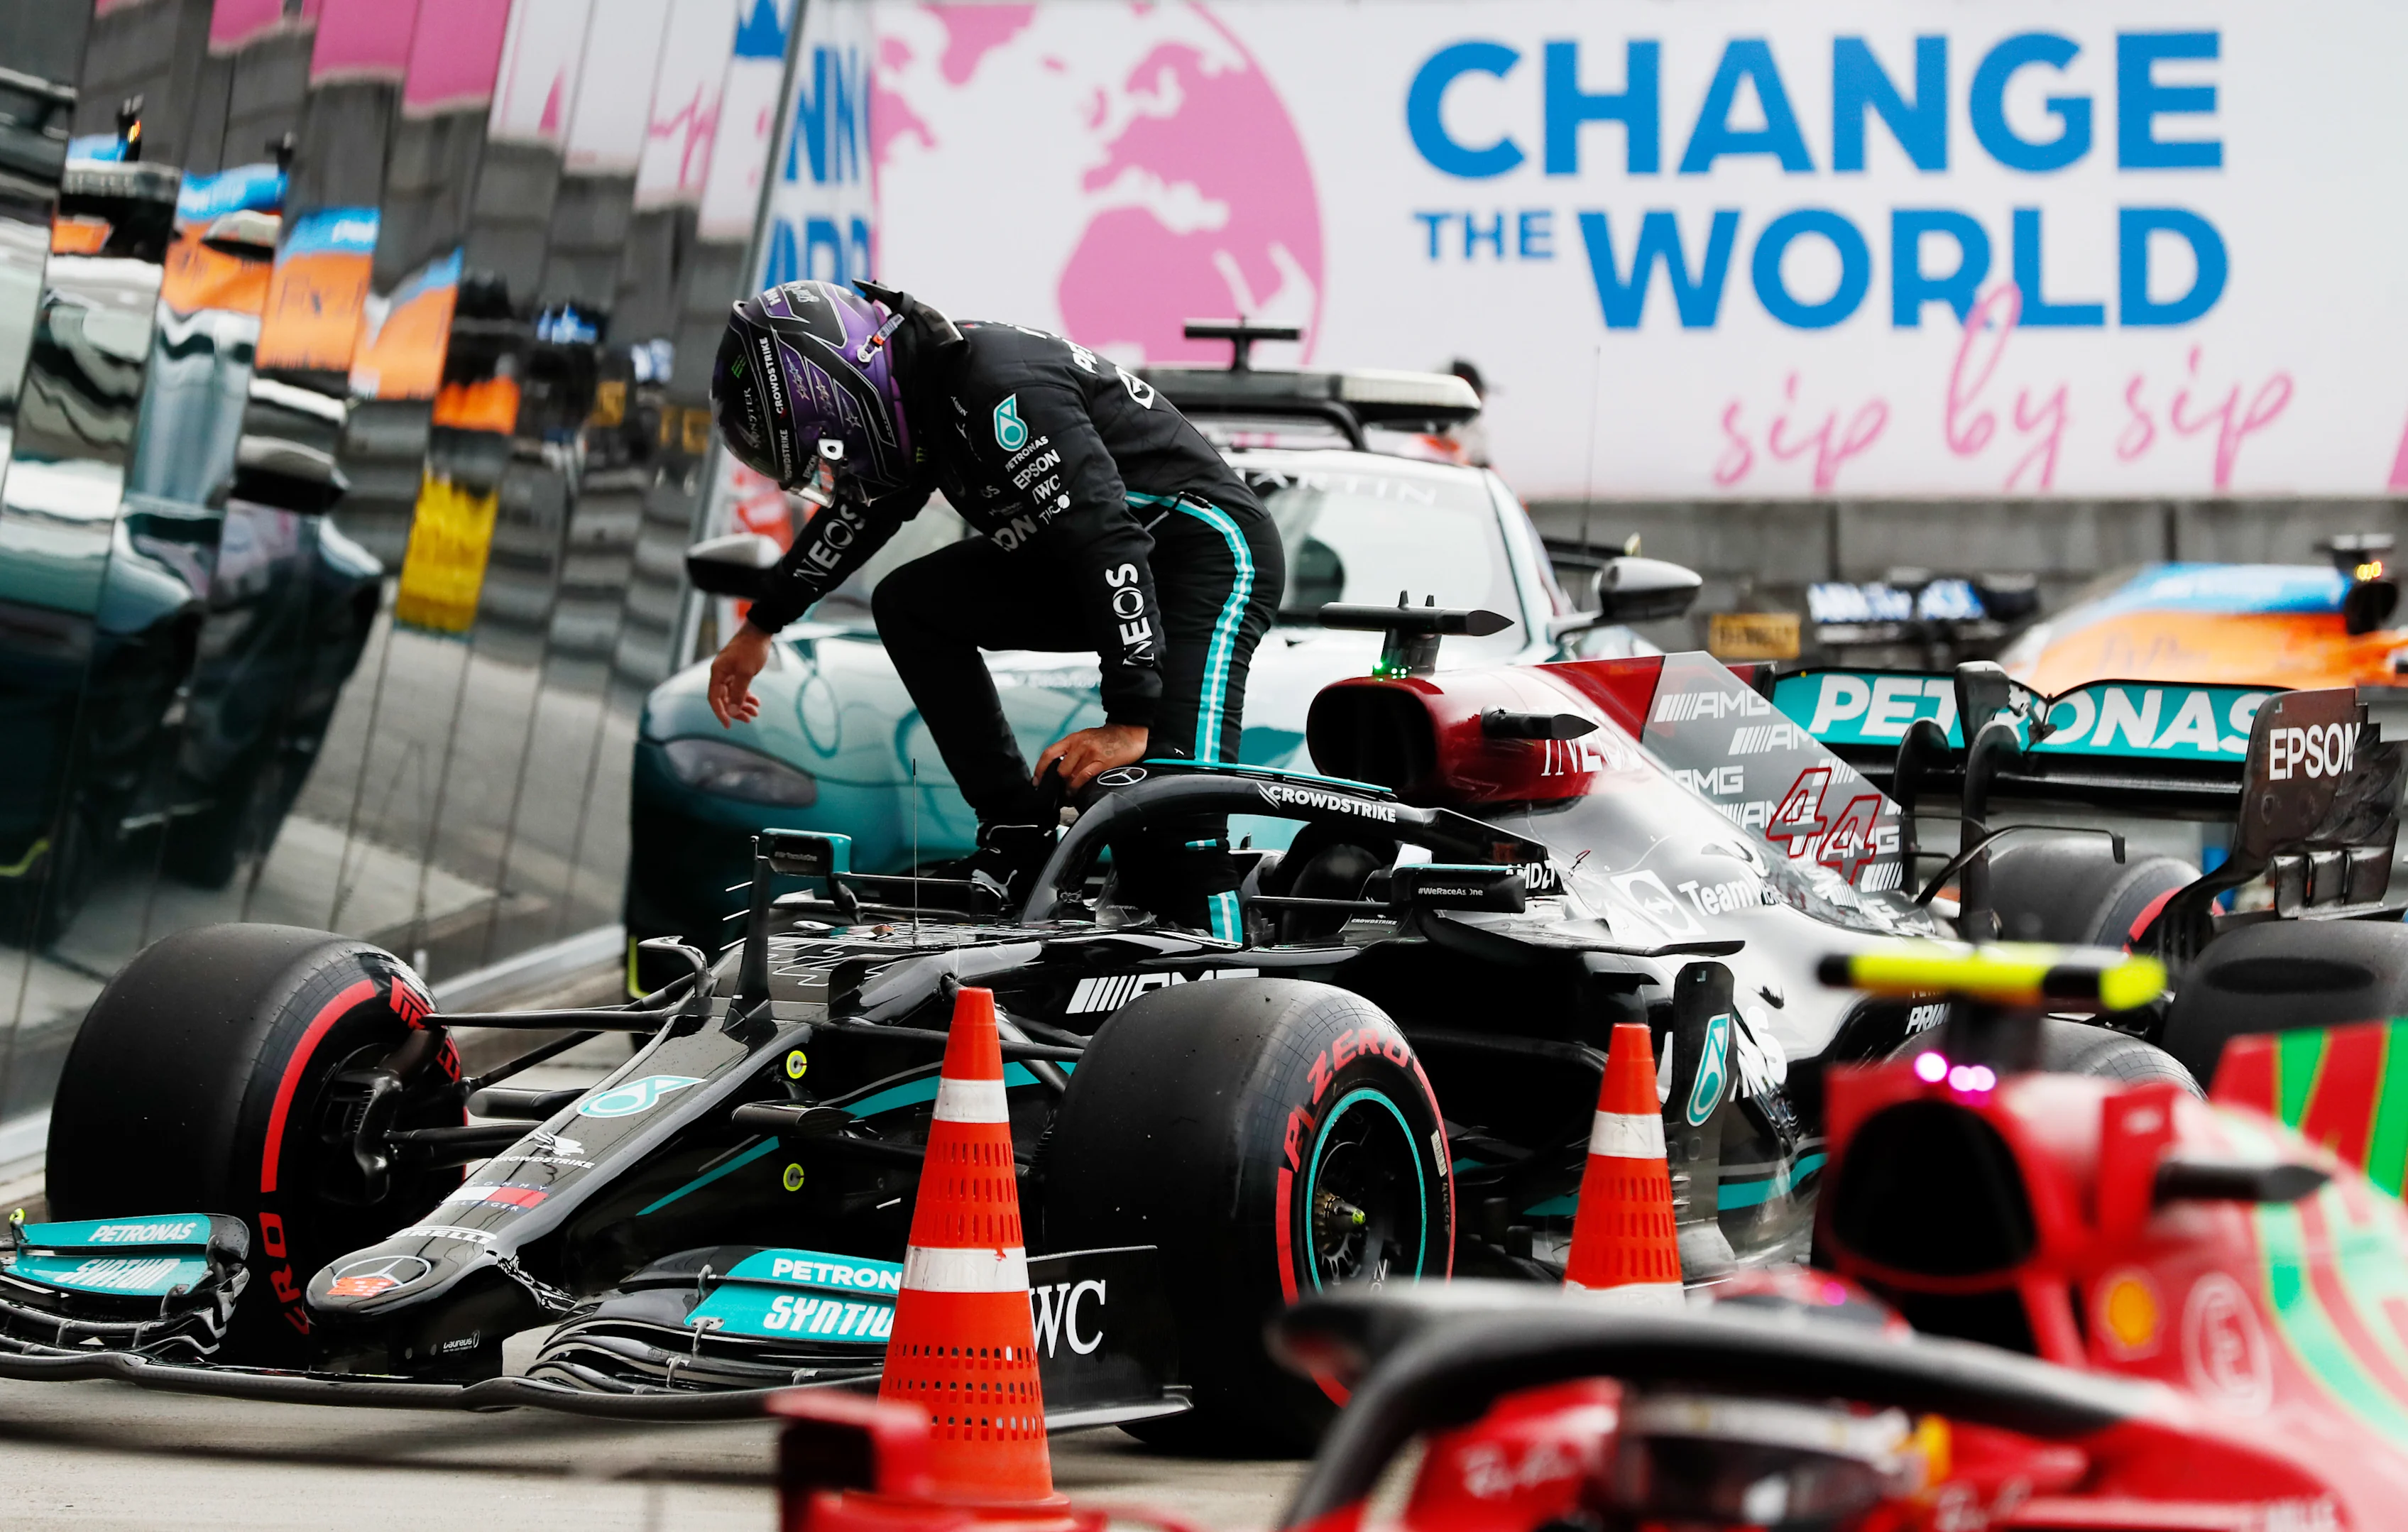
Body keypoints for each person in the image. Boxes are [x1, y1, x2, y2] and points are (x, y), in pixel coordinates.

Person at [702, 279, 1284, 938]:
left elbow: (1108, 539)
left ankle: (1229, 1006)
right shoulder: (920, 396)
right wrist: (764, 623)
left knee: (1171, 820)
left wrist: (1130, 718)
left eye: (829, 445)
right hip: (1100, 563)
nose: (838, 464)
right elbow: (861, 514)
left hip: (1202, 557)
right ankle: (1017, 834)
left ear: (843, 390)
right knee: (912, 604)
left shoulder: (995, 389)